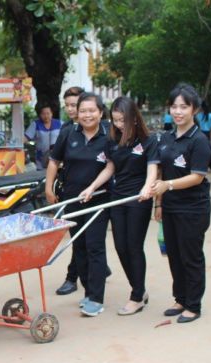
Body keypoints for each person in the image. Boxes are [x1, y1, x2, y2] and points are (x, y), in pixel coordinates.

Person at [79, 96, 159, 315]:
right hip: (117, 198)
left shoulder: (148, 140)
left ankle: (136, 296)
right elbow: (110, 168)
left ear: (134, 118)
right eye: (115, 120)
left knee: (134, 246)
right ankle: (139, 289)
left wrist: (147, 187)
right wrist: (92, 187)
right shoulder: (112, 140)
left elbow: (152, 168)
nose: (119, 124)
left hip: (139, 200)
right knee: (121, 247)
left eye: (123, 120)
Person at [151, 83, 211, 324]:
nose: (178, 112)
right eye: (174, 106)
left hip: (193, 208)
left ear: (194, 109)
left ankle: (193, 305)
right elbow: (161, 172)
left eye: (184, 107)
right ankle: (181, 298)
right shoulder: (166, 138)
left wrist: (168, 186)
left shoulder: (199, 140)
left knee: (191, 256)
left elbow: (197, 177)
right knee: (174, 255)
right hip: (170, 207)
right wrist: (159, 203)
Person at [48, 92, 111, 317]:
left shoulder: (109, 135)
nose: (87, 115)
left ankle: (96, 298)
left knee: (95, 246)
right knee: (80, 246)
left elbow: (112, 165)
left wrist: (93, 187)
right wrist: (48, 188)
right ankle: (88, 291)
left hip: (99, 200)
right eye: (83, 110)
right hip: (72, 199)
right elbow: (54, 161)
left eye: (92, 110)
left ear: (100, 112)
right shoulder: (69, 133)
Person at [47, 86, 84, 296]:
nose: (71, 109)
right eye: (67, 105)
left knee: (87, 239)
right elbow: (55, 160)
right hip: (70, 190)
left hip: (97, 192)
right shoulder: (67, 129)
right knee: (77, 237)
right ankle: (76, 275)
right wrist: (50, 187)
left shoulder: (102, 129)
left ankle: (73, 277)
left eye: (74, 105)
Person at [24, 104, 62, 170]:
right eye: (43, 114)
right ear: (40, 115)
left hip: (57, 159)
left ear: (52, 113)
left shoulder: (60, 124)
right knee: (42, 175)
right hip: (41, 160)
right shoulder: (35, 124)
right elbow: (25, 138)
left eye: (48, 113)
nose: (46, 116)